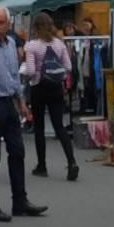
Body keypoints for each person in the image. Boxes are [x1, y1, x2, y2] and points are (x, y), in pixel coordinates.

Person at [0, 6, 48, 222]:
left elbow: (14, 75)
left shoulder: (12, 43)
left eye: (1, 22)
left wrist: (21, 102)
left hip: (9, 102)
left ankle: (20, 201)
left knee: (18, 151)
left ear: (8, 24)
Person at [25, 12, 78, 181]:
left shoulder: (32, 46)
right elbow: (68, 67)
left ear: (36, 27)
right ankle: (72, 162)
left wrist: (27, 74)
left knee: (39, 128)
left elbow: (32, 71)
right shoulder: (59, 44)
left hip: (39, 89)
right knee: (59, 127)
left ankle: (42, 166)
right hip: (56, 89)